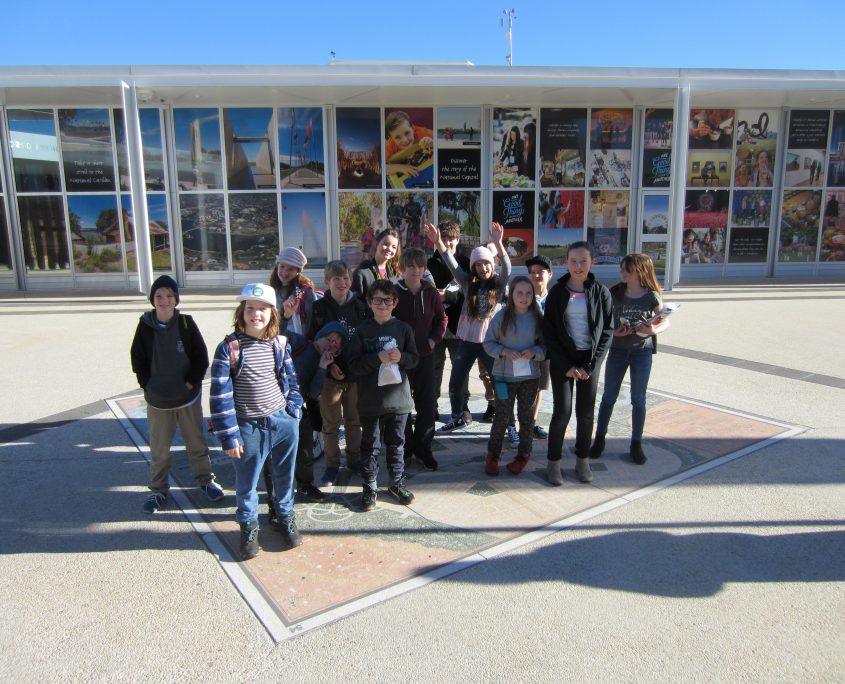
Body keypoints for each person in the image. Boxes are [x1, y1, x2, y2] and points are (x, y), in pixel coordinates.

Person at [209, 283, 303, 560]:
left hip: (282, 422)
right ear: (242, 312)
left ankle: (285, 515)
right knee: (247, 482)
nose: (256, 314)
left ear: (272, 313)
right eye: (250, 308)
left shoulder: (279, 343)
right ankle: (249, 526)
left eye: (262, 309)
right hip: (248, 427)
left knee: (285, 476)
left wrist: (294, 412)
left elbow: (291, 380)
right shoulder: (229, 348)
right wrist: (229, 435)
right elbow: (219, 394)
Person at [131, 275, 224, 514]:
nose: (164, 301)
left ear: (176, 299)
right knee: (160, 450)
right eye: (159, 296)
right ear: (153, 300)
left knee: (196, 443)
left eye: (169, 296)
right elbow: (138, 359)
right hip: (158, 400)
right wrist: (147, 384)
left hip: (186, 398)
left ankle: (206, 481)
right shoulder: (145, 325)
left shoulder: (185, 323)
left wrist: (192, 383)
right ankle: (158, 490)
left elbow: (200, 357)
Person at [424, 221, 511, 432]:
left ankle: (508, 423)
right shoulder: (467, 282)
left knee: (499, 382)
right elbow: (451, 262)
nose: (483, 268)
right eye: (478, 264)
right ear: (473, 266)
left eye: (486, 263)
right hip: (467, 342)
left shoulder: (499, 285)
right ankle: (457, 416)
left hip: (490, 343)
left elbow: (507, 267)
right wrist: (438, 243)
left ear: (492, 264)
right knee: (455, 383)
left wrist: (498, 244)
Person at [541, 242, 613, 485]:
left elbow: (607, 332)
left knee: (585, 415)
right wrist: (566, 365)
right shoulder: (557, 292)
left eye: (584, 261)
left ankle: (582, 461)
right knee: (562, 412)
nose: (578, 266)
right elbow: (548, 332)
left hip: (589, 361)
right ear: (566, 262)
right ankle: (553, 464)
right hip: (563, 361)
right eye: (573, 261)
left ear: (592, 262)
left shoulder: (601, 292)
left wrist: (590, 366)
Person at [262, 321, 347, 524]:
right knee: (272, 456)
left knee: (305, 448)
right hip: (271, 405)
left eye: (336, 345)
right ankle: (273, 500)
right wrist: (285, 314)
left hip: (295, 408)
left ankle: (305, 484)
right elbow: (275, 330)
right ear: (321, 335)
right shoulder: (300, 342)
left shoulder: (322, 362)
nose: (332, 344)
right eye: (331, 339)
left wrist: (322, 368)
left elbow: (313, 393)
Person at [590, 254, 671, 465]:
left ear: (639, 271)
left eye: (627, 269)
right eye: (622, 268)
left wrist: (654, 328)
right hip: (617, 351)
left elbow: (666, 321)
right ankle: (599, 439)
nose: (622, 272)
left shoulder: (651, 296)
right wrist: (615, 332)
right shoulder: (615, 292)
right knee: (608, 397)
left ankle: (636, 444)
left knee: (638, 399)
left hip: (641, 352)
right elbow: (602, 321)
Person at [346, 280, 419, 511]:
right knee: (370, 445)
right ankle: (369, 486)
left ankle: (396, 483)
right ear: (369, 302)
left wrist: (402, 358)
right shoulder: (362, 331)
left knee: (397, 444)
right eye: (377, 299)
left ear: (395, 303)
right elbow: (353, 365)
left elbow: (415, 359)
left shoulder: (403, 329)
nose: (382, 304)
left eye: (387, 300)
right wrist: (377, 358)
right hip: (370, 401)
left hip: (399, 401)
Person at [307, 260, 370, 486]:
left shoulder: (361, 306)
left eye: (345, 278)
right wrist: (329, 364)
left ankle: (354, 459)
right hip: (330, 376)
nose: (341, 283)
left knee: (354, 421)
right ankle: (332, 465)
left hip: (354, 376)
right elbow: (313, 340)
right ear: (327, 282)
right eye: (336, 279)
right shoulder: (319, 308)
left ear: (351, 281)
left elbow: (365, 339)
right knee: (331, 424)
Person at [482, 276, 546, 476]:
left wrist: (535, 352)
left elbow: (546, 346)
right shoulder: (501, 316)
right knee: (501, 417)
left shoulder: (538, 316)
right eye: (520, 292)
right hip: (503, 379)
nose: (524, 297)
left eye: (529, 293)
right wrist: (504, 351)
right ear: (512, 295)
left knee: (526, 417)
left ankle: (523, 455)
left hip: (529, 378)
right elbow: (488, 343)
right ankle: (493, 456)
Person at [394, 247, 447, 471]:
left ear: (424, 269)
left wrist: (434, 341)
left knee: (426, 404)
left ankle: (423, 447)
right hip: (402, 359)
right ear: (402, 268)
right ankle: (405, 448)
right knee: (402, 405)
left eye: (419, 266)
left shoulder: (431, 292)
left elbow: (441, 319)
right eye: (411, 266)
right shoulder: (394, 293)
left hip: (426, 356)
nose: (415, 270)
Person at [427, 220, 474, 424]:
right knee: (434, 367)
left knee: (460, 368)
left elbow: (471, 293)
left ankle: (463, 406)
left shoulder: (467, 262)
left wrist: (449, 296)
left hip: (458, 325)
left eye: (451, 239)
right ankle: (431, 406)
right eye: (443, 239)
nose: (447, 243)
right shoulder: (428, 264)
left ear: (458, 239)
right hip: (434, 327)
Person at [525, 255, 554, 439]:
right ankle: (515, 424)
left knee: (539, 388)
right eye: (532, 273)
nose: (536, 276)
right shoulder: (523, 297)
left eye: (540, 272)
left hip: (545, 352)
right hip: (524, 350)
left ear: (549, 274)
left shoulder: (556, 299)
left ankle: (531, 424)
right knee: (521, 388)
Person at [270, 247, 318, 337]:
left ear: (298, 272)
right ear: (277, 266)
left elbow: (312, 320)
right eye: (282, 266)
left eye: (291, 269)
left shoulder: (301, 291)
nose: (285, 272)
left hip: (297, 341)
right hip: (276, 337)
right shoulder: (273, 289)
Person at [352, 227, 401, 299]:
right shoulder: (362, 273)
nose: (389, 249)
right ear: (376, 244)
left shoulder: (395, 272)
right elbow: (356, 303)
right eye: (386, 244)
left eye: (394, 247)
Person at [384, 110, 434, 179]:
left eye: (407, 133)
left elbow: (445, 143)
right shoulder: (390, 145)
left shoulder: (422, 133)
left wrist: (432, 142)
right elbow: (381, 168)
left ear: (413, 128)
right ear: (391, 138)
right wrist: (400, 168)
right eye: (397, 137)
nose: (405, 140)